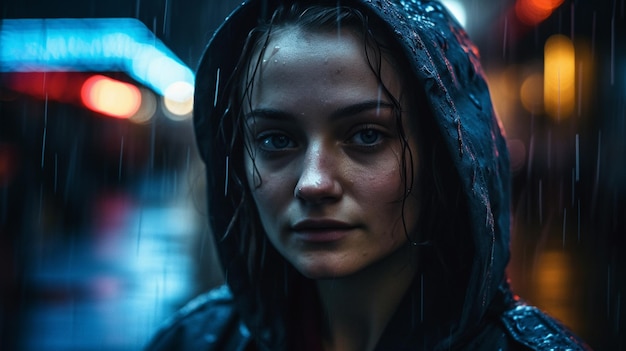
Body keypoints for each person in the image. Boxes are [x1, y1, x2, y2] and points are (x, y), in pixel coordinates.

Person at [145, 0, 592, 350]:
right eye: (276, 140)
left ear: (443, 154)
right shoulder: (193, 341)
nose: (314, 183)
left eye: (365, 135)